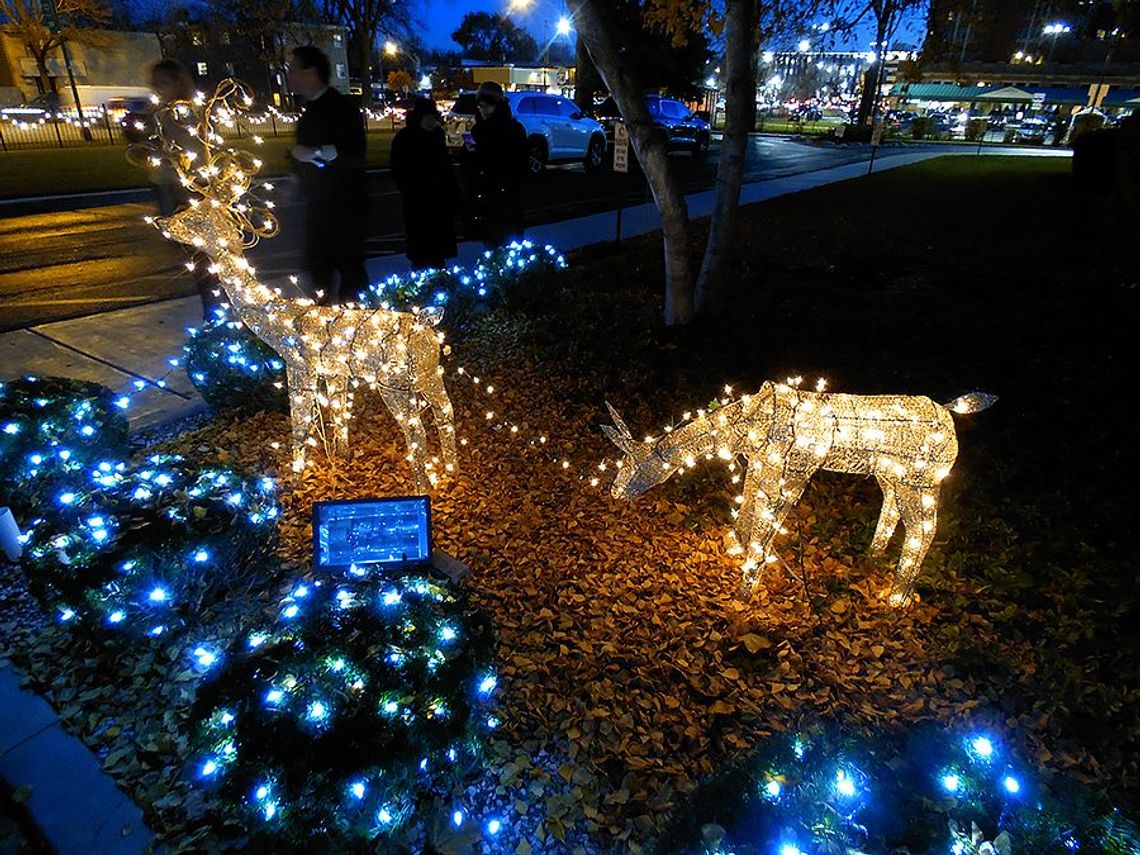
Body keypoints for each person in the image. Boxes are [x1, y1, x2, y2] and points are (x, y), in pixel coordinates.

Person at [287, 45, 368, 305]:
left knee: (350, 276)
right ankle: (324, 331)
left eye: (293, 69)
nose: (289, 75)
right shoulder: (309, 111)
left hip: (345, 209)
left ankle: (354, 330)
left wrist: (314, 153)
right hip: (319, 209)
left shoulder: (342, 108)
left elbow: (354, 153)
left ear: (311, 73)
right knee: (319, 273)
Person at [142, 60, 223, 320]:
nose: (157, 89)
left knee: (205, 260)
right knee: (198, 259)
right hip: (170, 189)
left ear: (177, 84)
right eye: (155, 84)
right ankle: (213, 312)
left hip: (190, 192)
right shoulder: (160, 113)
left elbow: (194, 154)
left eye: (162, 84)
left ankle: (215, 315)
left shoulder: (184, 115)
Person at [390, 97, 459, 270]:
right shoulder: (406, 139)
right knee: (422, 253)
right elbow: (399, 171)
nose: (434, 122)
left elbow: (445, 167)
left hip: (439, 202)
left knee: (437, 254)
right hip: (419, 202)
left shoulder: (435, 135)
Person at [467, 81, 527, 248]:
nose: (483, 111)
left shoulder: (512, 129)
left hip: (505, 195)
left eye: (486, 107)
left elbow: (518, 163)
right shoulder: (478, 129)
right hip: (487, 196)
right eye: (480, 107)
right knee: (491, 244)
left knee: (507, 243)